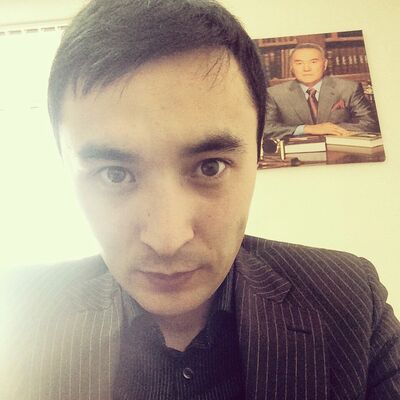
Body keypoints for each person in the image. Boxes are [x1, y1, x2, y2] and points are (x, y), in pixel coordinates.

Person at [1, 1, 399, 399]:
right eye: (114, 174)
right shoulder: (17, 315)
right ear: (64, 166)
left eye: (210, 167)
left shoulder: (349, 299)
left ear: (258, 155)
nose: (167, 239)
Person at [264, 42, 380, 141]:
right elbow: (265, 128)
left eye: (313, 62)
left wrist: (329, 129)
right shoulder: (275, 94)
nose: (306, 68)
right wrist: (307, 129)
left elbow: (369, 122)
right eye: (299, 63)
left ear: (325, 64)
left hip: (340, 149)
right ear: (291, 67)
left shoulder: (349, 88)